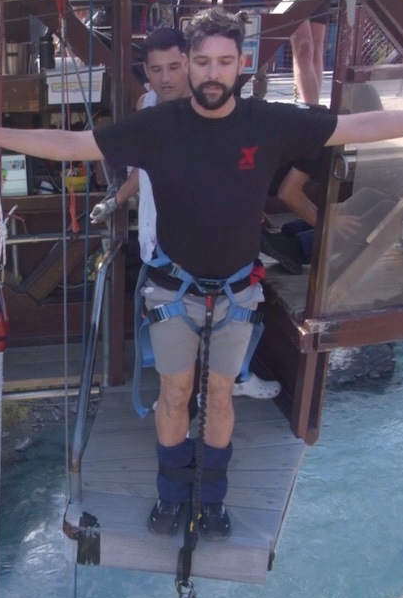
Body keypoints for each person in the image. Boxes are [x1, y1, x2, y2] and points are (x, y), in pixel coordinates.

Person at [0, 7, 403, 539]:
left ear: (243, 65)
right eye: (203, 62)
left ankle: (209, 500)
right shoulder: (158, 127)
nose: (212, 74)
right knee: (174, 393)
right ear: (188, 65)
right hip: (174, 289)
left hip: (237, 292)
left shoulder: (269, 123)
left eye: (223, 61)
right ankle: (172, 493)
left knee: (219, 397)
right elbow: (72, 144)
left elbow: (357, 125)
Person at [90, 27, 280, 400]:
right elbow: (139, 171)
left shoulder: (216, 114)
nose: (166, 78)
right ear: (146, 70)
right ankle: (181, 403)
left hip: (208, 249)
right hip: (157, 240)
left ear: (189, 66)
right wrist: (116, 199)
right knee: (175, 343)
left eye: (175, 67)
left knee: (218, 335)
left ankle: (231, 381)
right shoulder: (147, 108)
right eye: (156, 69)